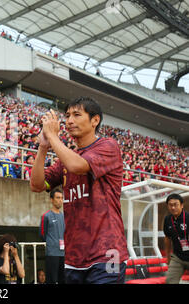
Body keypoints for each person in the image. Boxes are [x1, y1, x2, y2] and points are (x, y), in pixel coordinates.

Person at [30, 97, 128, 284]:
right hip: (74, 257)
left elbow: (77, 166)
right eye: (67, 116)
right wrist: (43, 147)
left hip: (107, 252)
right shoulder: (67, 158)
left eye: (76, 115)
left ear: (95, 120)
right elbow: (36, 185)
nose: (69, 121)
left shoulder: (108, 146)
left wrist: (53, 136)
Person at [39, 187, 65, 284]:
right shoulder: (46, 216)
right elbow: (42, 235)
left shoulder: (64, 216)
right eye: (58, 198)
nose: (60, 200)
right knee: (51, 281)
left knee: (63, 280)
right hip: (52, 254)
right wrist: (52, 243)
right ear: (51, 199)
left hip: (63, 254)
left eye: (62, 198)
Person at [163, 193, 189, 284]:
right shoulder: (167, 219)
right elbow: (167, 238)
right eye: (170, 205)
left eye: (176, 204)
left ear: (182, 205)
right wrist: (168, 257)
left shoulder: (188, 218)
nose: (173, 207)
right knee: (170, 281)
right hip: (178, 257)